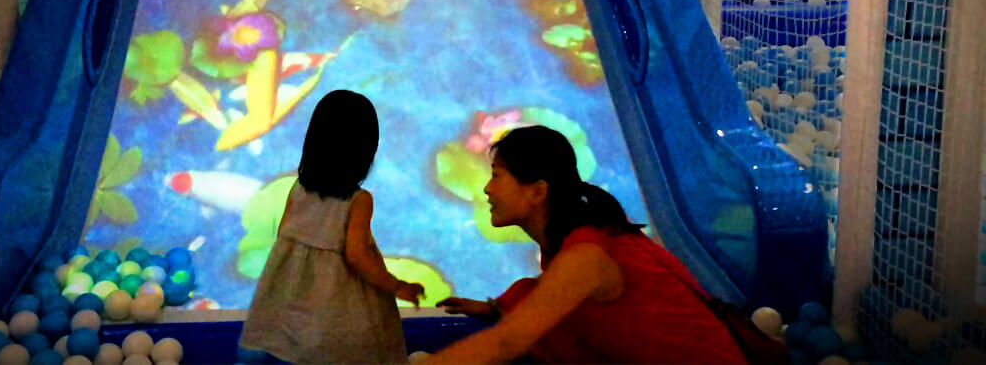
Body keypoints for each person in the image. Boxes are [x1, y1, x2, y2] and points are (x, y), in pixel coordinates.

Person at [430, 125, 747, 364]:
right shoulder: (574, 242)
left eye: (497, 176)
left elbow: (506, 343)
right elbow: (549, 295)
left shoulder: (587, 253)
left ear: (538, 192)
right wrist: (498, 306)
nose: (487, 189)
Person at [237, 89, 426, 364]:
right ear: (364, 151)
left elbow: (283, 234)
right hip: (337, 311)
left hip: (292, 303)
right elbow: (357, 255)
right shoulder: (359, 201)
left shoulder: (299, 188)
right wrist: (396, 286)